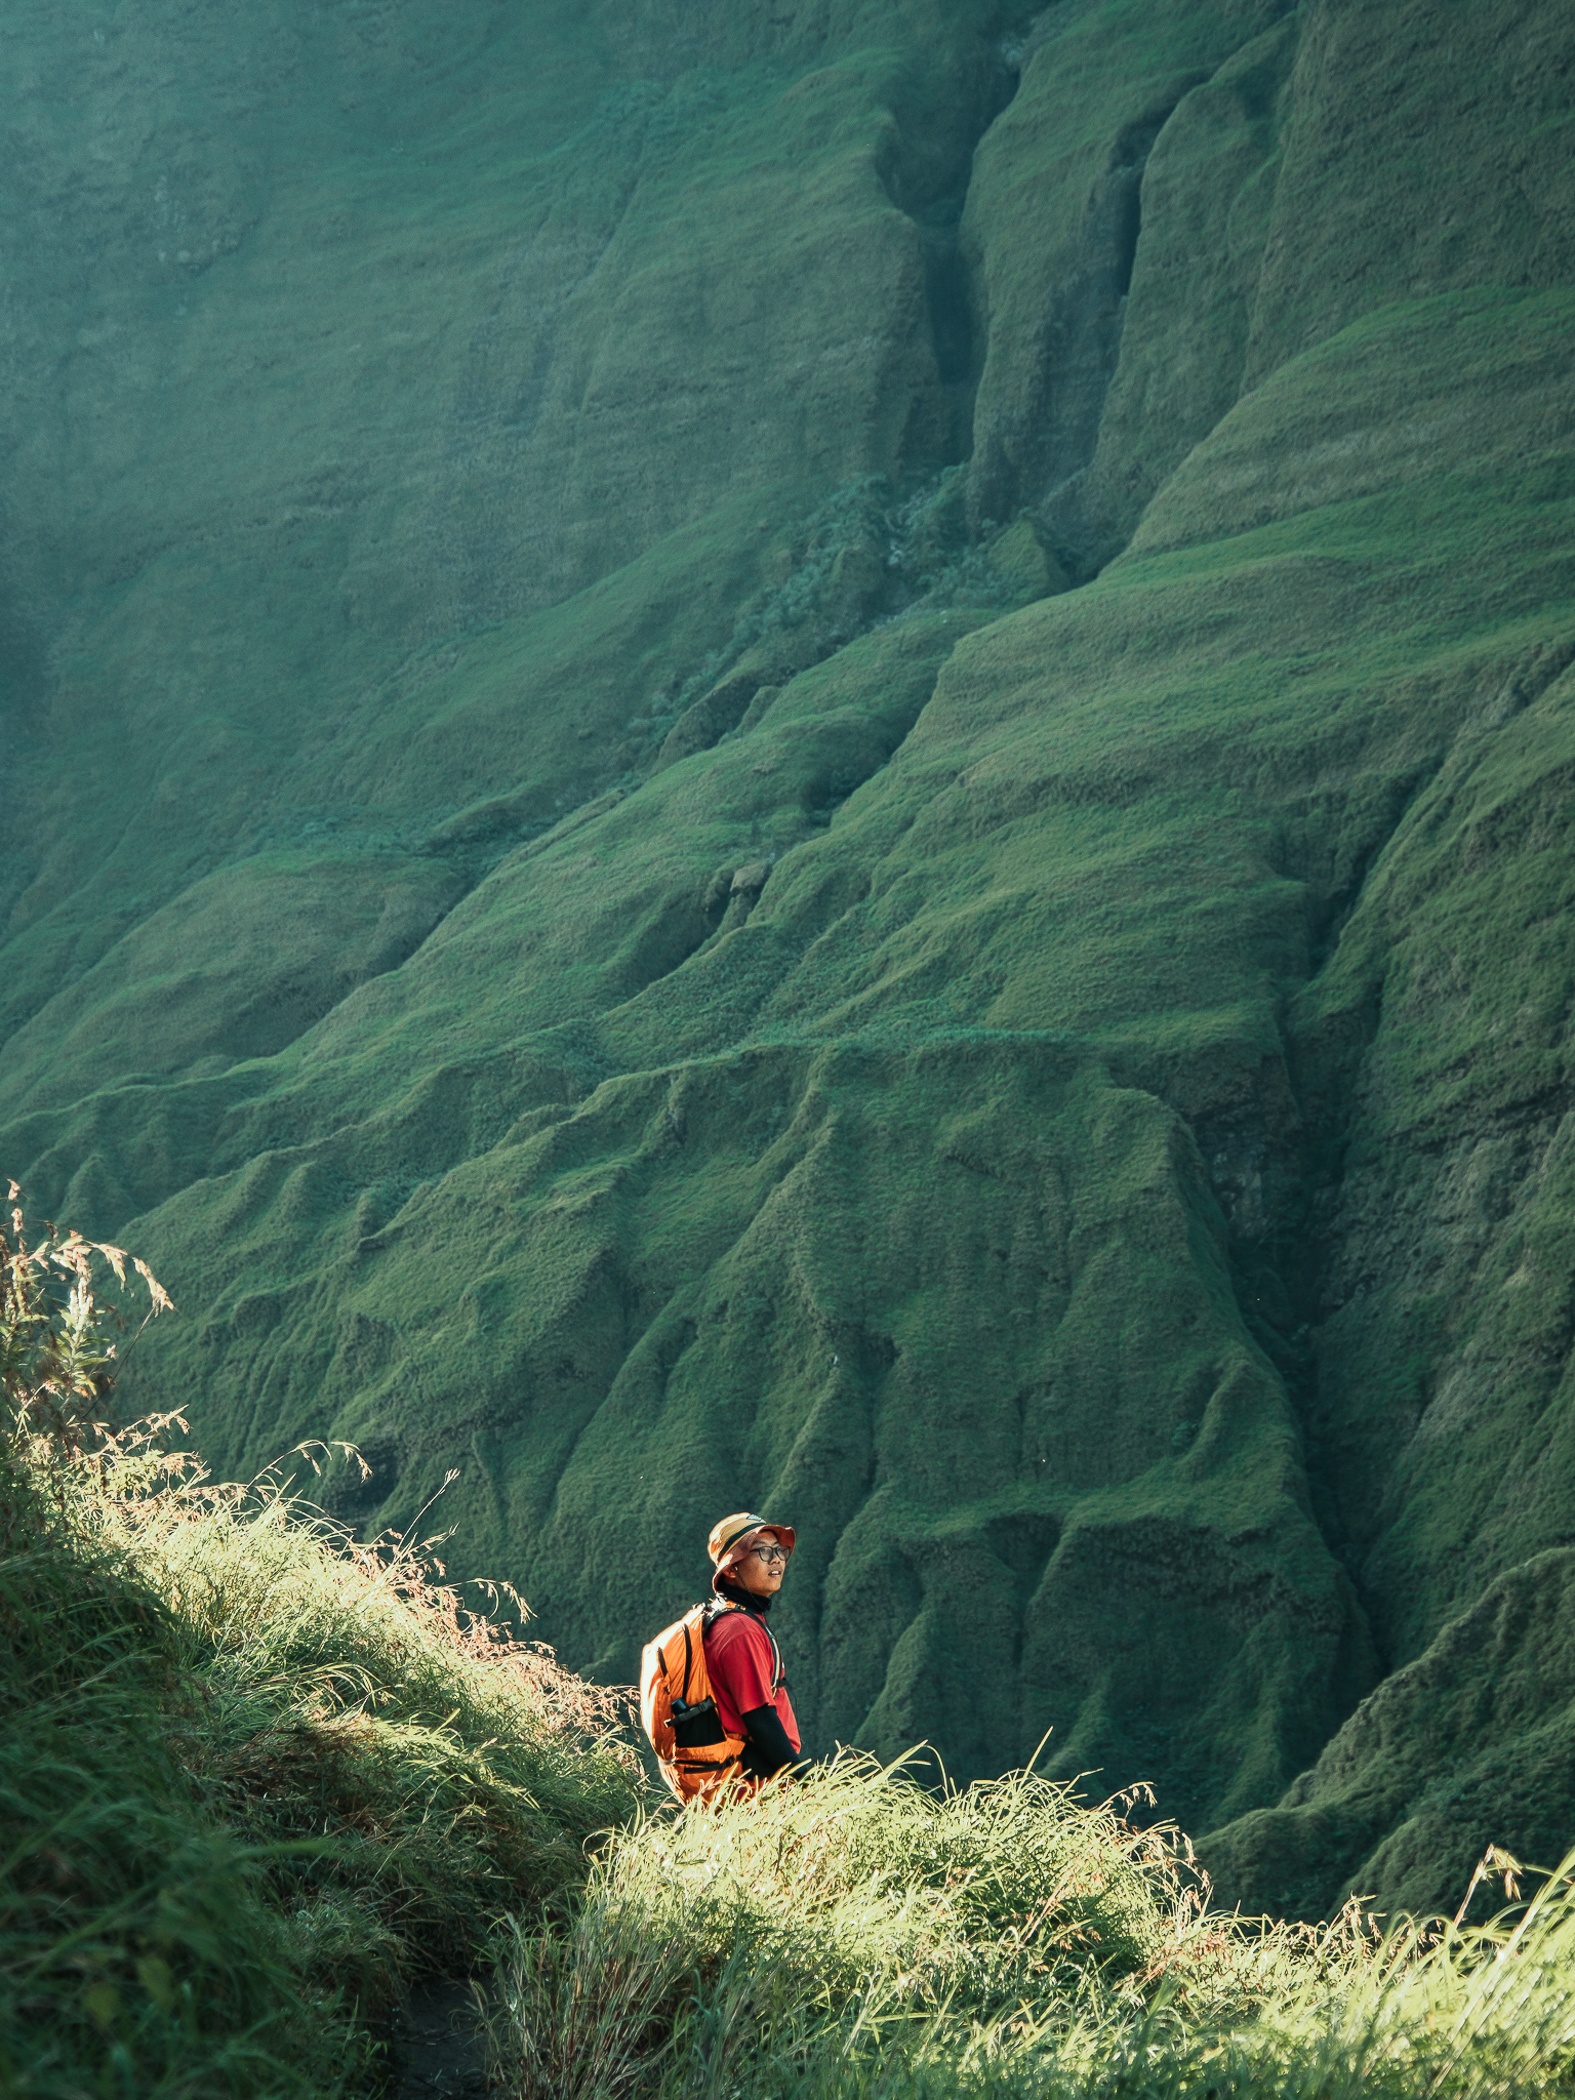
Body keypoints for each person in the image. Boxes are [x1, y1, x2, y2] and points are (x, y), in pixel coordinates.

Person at [703, 1510, 803, 1785]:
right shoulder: (739, 1630)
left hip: (747, 1780)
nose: (776, 1560)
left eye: (779, 1551)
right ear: (732, 1569)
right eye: (762, 1551)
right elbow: (759, 1718)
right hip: (753, 1789)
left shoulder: (733, 1618)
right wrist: (808, 1782)